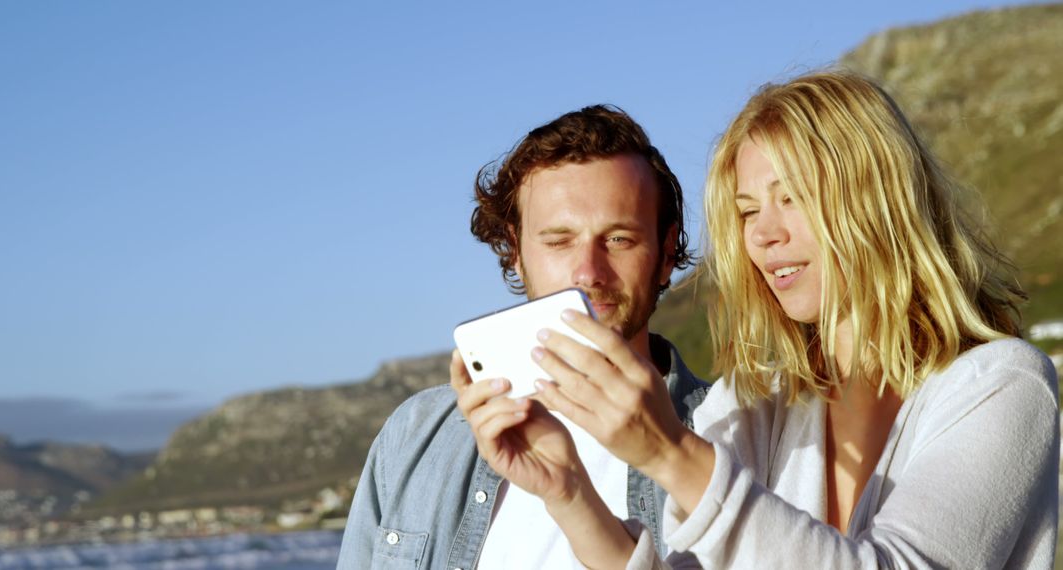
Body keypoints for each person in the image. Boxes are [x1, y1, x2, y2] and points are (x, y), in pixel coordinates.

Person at [529, 70, 1059, 568]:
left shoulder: (1002, 386)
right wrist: (569, 492)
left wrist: (671, 454)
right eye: (748, 210)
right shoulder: (752, 405)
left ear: (876, 200)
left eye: (792, 197)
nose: (763, 235)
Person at [336, 105, 711, 569]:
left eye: (618, 239)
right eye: (558, 241)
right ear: (516, 252)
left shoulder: (727, 436)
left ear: (667, 250)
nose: (588, 272)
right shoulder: (414, 437)